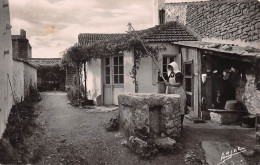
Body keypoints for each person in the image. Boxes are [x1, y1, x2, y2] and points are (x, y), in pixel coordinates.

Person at [164, 62, 187, 127]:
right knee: (172, 109)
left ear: (175, 67)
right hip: (171, 93)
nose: (171, 68)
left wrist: (170, 84)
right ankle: (173, 124)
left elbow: (179, 84)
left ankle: (180, 124)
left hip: (179, 93)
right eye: (170, 67)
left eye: (172, 67)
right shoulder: (170, 74)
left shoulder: (178, 74)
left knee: (181, 109)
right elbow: (167, 82)